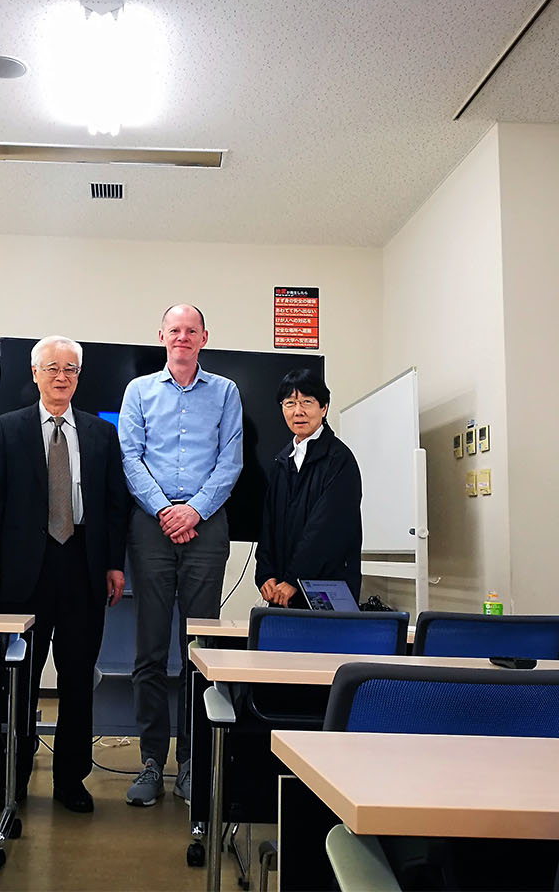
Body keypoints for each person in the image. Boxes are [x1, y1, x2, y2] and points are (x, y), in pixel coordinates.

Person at [0, 335, 129, 814]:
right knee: (17, 679)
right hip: (24, 568)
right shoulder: (7, 429)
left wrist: (113, 564)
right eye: (52, 368)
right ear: (35, 373)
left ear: (78, 377)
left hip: (83, 563)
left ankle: (70, 781)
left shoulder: (102, 433)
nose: (61, 376)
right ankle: (13, 780)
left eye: (70, 369)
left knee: (78, 679)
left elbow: (113, 506)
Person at [118, 304, 242, 805]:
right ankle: (151, 761)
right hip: (150, 528)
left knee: (198, 650)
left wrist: (193, 511)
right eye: (175, 330)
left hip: (207, 529)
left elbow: (231, 458)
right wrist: (164, 509)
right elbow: (130, 455)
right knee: (149, 649)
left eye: (191, 330)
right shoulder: (139, 391)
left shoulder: (226, 391)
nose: (183, 337)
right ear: (162, 336)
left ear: (204, 337)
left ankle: (192, 761)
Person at [255, 369, 363, 609]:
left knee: (324, 646)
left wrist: (295, 578)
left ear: (323, 408)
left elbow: (327, 528)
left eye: (307, 402)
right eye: (290, 403)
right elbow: (268, 525)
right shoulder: (282, 461)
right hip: (283, 591)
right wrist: (266, 575)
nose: (298, 411)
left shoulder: (339, 459)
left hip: (328, 590)